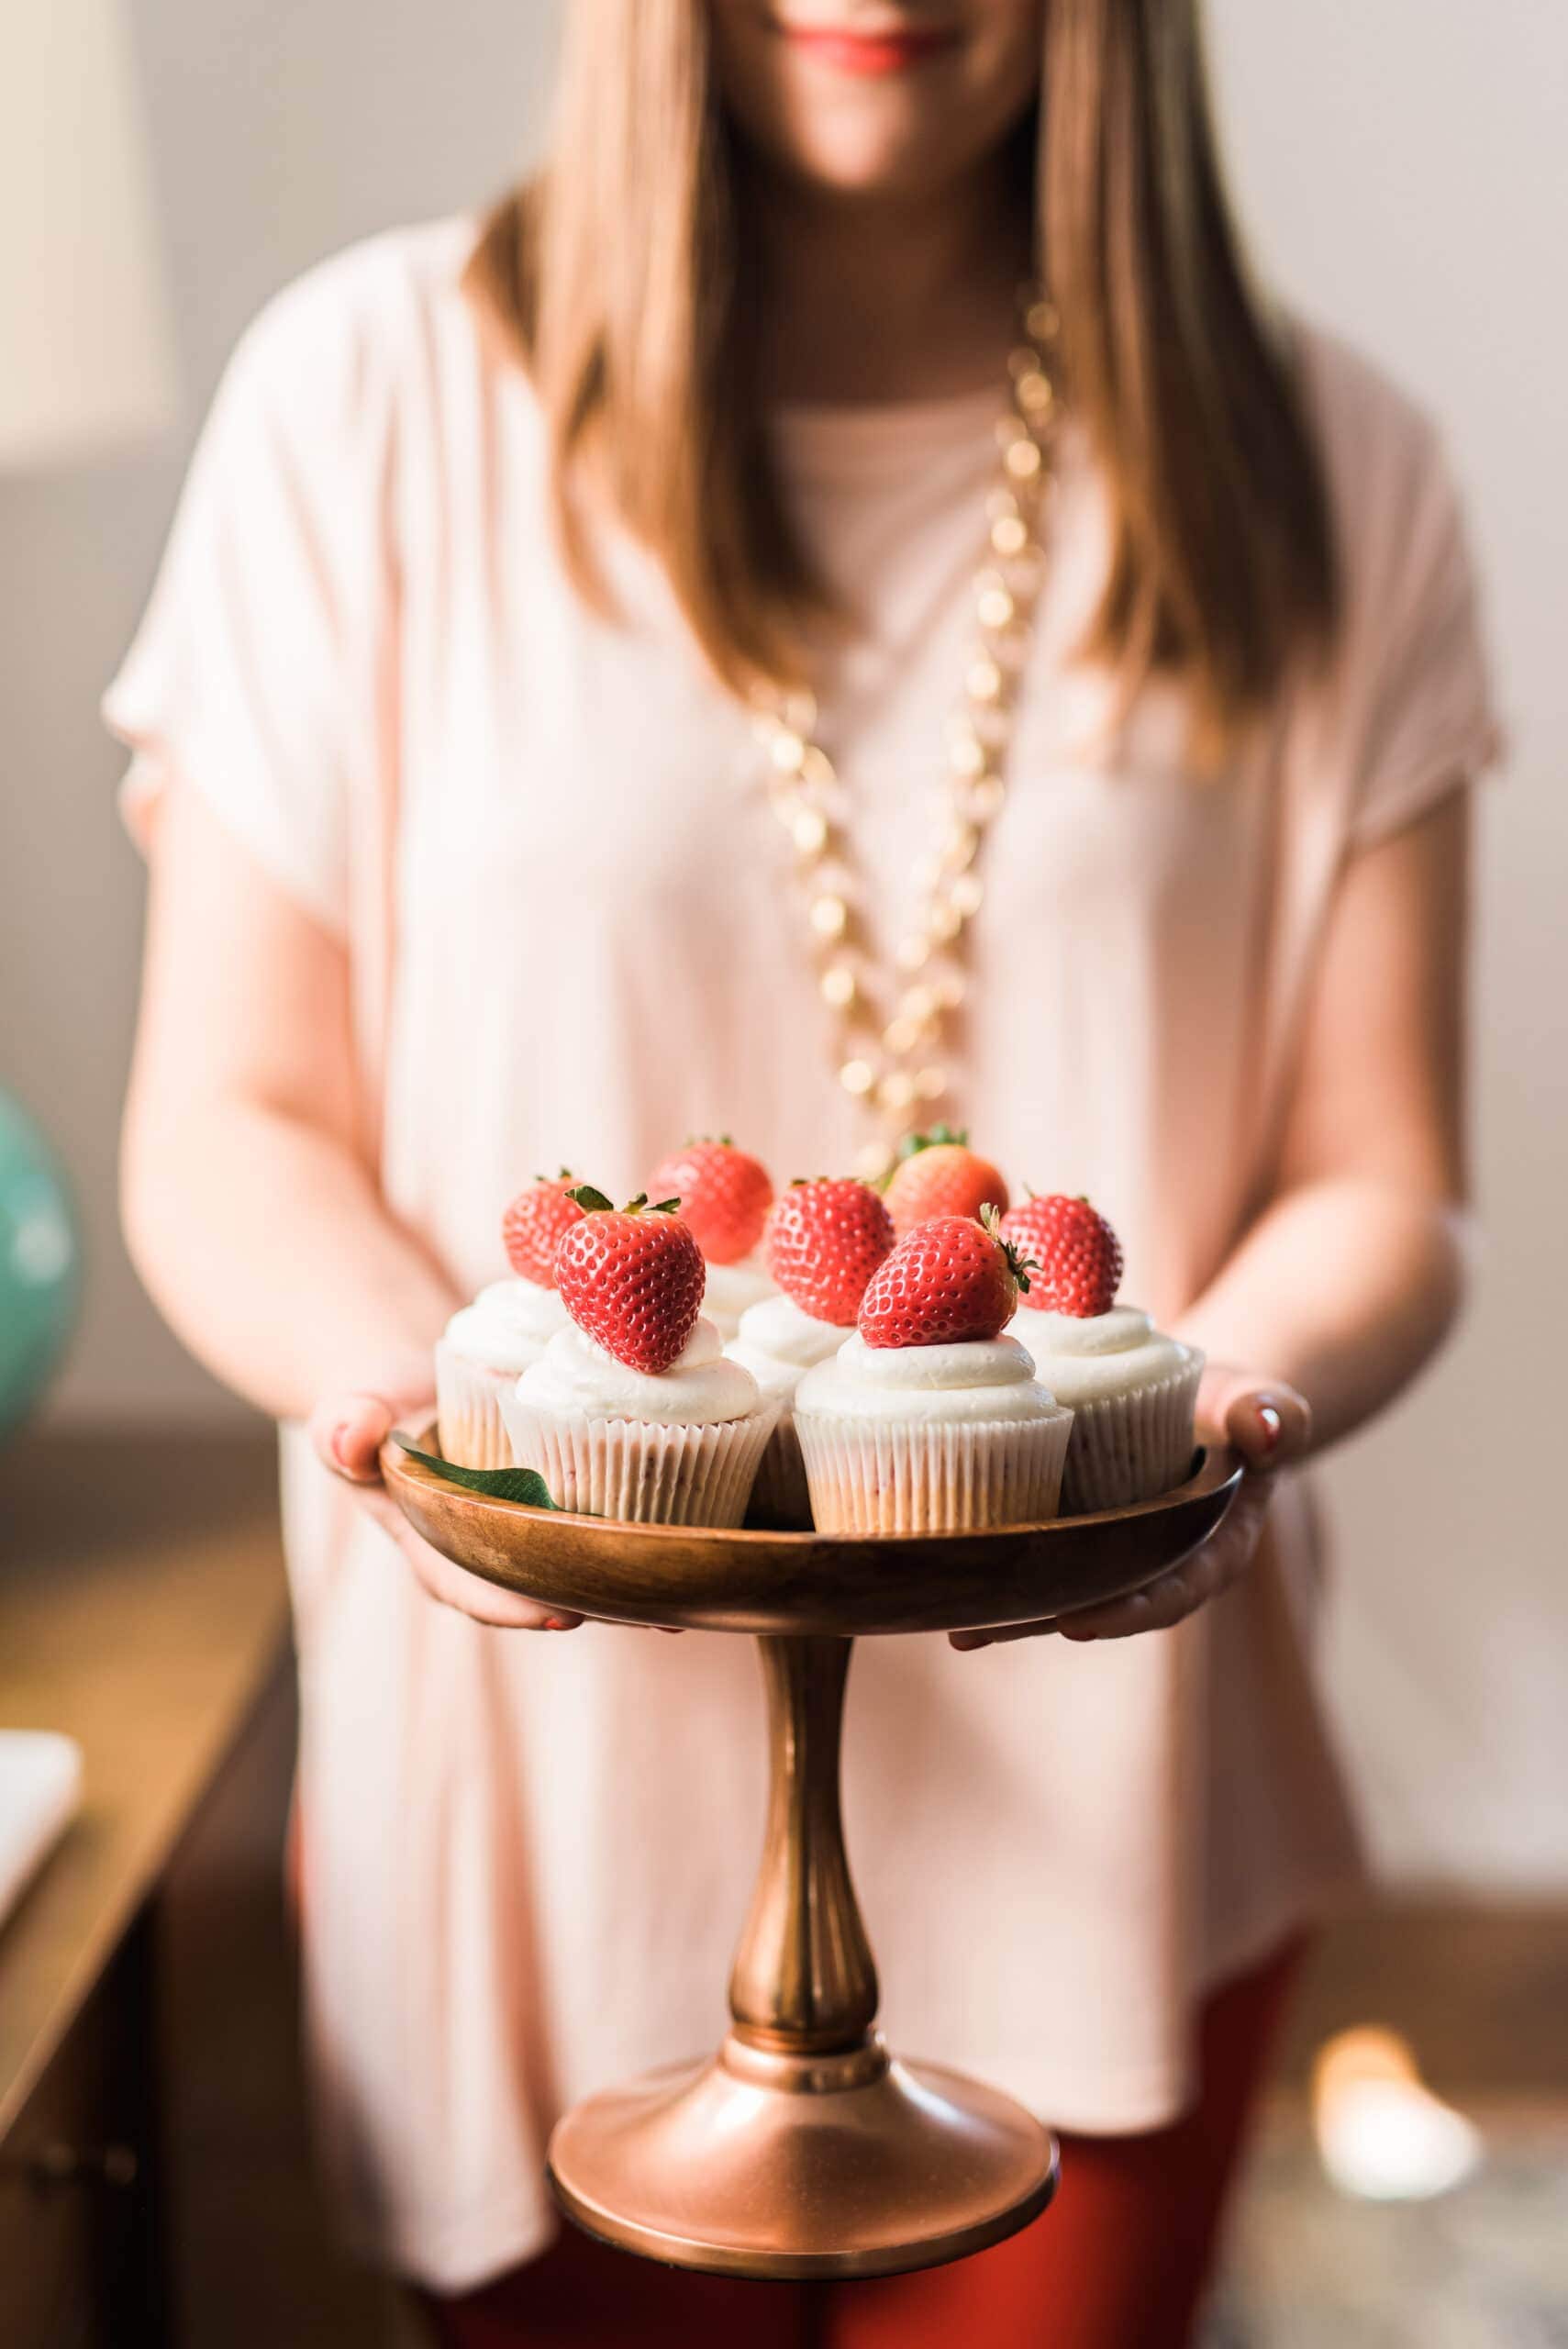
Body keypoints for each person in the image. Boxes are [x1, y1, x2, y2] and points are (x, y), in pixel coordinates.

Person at [109, 3, 1497, 2342]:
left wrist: (1209, 1398)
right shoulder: (364, 403)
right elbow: (227, 1117)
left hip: (1112, 1799)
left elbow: (1389, 1171)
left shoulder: (1335, 467)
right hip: (538, 1802)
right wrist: (411, 1399)